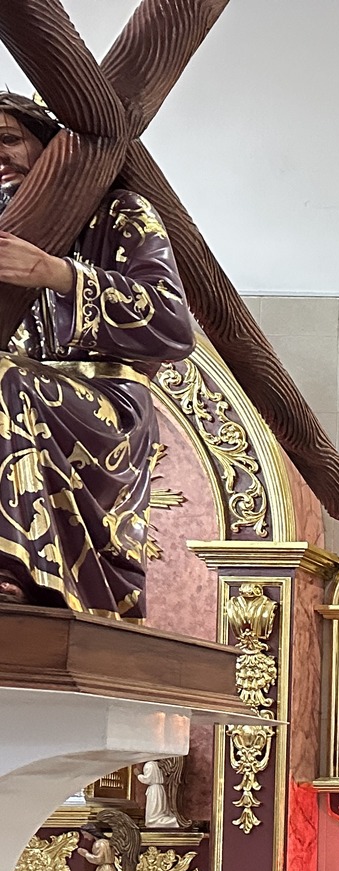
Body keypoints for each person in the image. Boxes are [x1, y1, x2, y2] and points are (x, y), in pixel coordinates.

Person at [0, 94, 195, 616]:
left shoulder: (117, 211)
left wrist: (58, 274)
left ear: (51, 148)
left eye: (9, 139)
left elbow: (173, 326)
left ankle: (13, 568)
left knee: (3, 378)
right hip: (17, 398)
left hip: (104, 403)